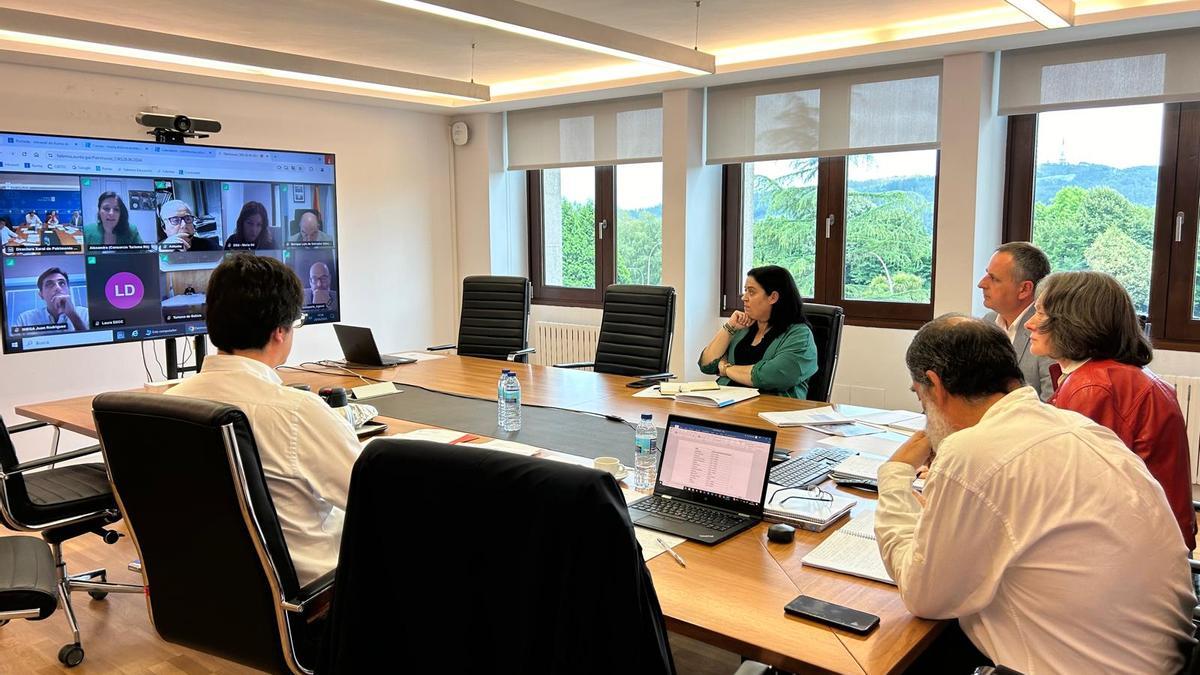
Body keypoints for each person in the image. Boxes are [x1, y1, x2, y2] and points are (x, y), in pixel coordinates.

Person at [874, 315, 1195, 673]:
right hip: (1163, 657)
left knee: (886, 654)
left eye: (920, 397)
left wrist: (894, 474)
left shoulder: (973, 451)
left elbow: (923, 596)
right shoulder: (1077, 426)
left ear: (935, 385)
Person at [166, 254, 359, 585]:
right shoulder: (297, 412)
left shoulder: (169, 406)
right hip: (313, 592)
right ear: (280, 332)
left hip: (213, 587)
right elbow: (374, 496)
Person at [1026, 271, 1197, 550]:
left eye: (1041, 314)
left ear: (1073, 324)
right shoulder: (1109, 376)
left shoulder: (1094, 386)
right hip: (1151, 538)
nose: (1029, 324)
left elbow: (1075, 490)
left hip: (1140, 549)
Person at [698, 265, 817, 398]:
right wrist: (729, 327)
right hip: (727, 404)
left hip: (772, 409)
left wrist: (725, 368)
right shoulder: (743, 327)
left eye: (751, 292)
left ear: (773, 297)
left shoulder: (799, 335)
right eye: (745, 291)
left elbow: (771, 376)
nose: (744, 298)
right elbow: (706, 364)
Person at [978, 242, 1055, 400]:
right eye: (987, 274)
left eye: (993, 278)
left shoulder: (1048, 331)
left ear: (1024, 289)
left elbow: (1052, 406)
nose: (981, 284)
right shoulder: (988, 322)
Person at [14, 267, 88, 331]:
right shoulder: (25, 318)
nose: (58, 288)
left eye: (62, 283)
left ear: (68, 290)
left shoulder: (86, 314)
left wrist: (73, 315)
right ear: (41, 295)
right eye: (49, 284)